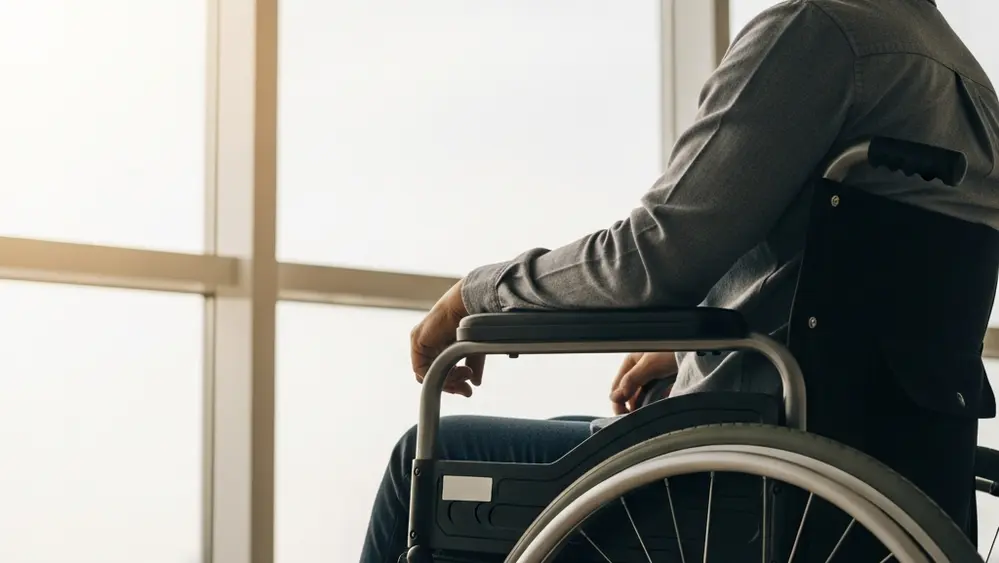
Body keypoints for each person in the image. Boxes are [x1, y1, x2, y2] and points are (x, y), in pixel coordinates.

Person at [360, 0, 999, 561]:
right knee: (566, 427)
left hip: (758, 476)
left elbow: (647, 261)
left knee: (425, 455)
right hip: (891, 478)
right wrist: (692, 346)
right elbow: (862, 294)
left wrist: (475, 294)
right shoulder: (965, 80)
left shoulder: (820, 32)